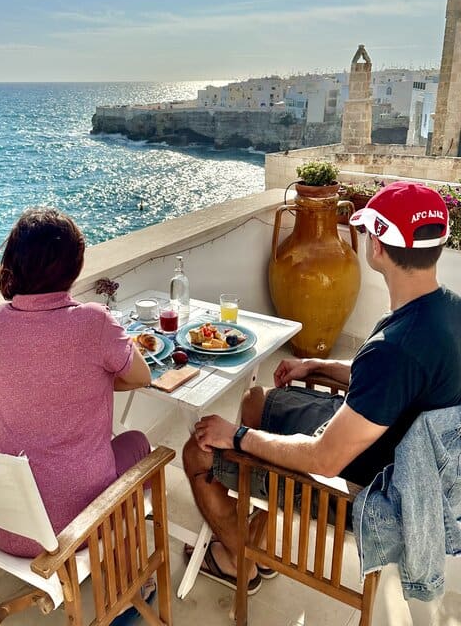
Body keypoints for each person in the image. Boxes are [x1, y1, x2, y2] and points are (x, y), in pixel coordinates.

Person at [183, 181, 461, 594]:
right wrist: (321, 365)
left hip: (365, 489)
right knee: (257, 400)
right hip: (391, 450)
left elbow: (325, 459)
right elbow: (394, 385)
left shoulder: (396, 349)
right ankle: (253, 538)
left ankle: (239, 560)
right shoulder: (446, 311)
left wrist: (238, 437)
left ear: (378, 248)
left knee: (198, 450)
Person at [0, 207, 153, 560]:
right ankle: (129, 575)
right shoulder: (93, 321)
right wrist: (98, 382)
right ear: (75, 266)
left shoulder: (0, 319)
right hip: (64, 528)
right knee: (136, 443)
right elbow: (142, 376)